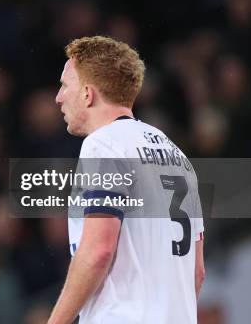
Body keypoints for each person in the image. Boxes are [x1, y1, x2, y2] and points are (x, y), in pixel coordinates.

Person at [47, 36, 205, 323]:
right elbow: (197, 271)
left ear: (87, 94)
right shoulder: (178, 156)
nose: (58, 97)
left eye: (64, 85)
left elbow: (98, 251)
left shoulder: (104, 145)